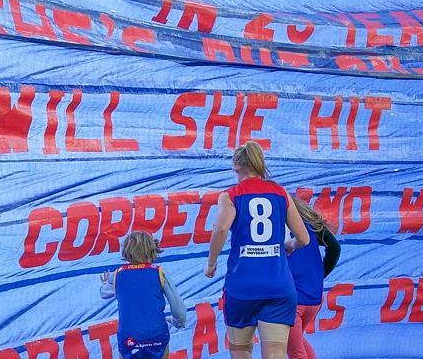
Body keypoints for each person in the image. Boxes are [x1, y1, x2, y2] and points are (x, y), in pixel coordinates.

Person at [205, 141, 311, 359]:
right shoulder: (281, 193)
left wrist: (212, 263)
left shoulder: (230, 195)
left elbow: (221, 228)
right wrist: (289, 245)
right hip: (278, 287)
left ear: (236, 166)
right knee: (275, 354)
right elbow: (303, 238)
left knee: (241, 351)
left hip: (242, 287)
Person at [100, 231, 187, 359]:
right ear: (152, 249)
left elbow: (104, 293)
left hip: (129, 337)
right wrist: (178, 322)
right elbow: (178, 308)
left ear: (127, 251)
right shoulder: (158, 272)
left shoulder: (118, 274)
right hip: (156, 334)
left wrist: (105, 283)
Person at [285, 198, 341, 359]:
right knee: (298, 343)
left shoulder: (274, 223)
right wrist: (318, 276)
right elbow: (335, 248)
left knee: (296, 352)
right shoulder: (308, 221)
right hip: (314, 297)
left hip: (293, 298)